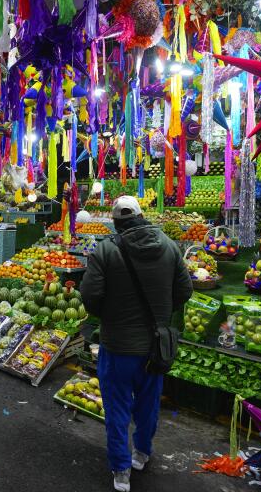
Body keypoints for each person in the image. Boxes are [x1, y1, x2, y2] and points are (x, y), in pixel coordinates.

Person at [79, 196, 193, 492]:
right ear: (142, 217)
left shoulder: (105, 250)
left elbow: (90, 297)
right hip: (155, 346)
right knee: (148, 403)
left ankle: (121, 471)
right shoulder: (169, 246)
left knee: (117, 408)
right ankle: (141, 453)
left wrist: (110, 315)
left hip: (117, 345)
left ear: (116, 222)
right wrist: (161, 313)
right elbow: (185, 291)